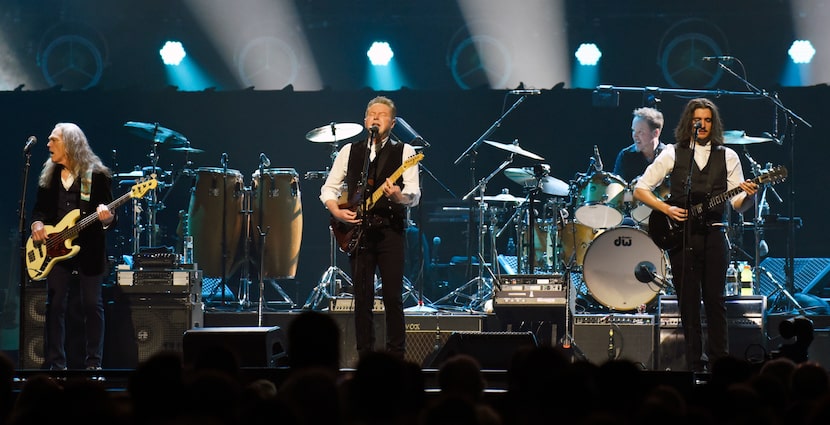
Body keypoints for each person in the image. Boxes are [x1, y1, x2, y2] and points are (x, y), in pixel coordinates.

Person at [634, 98, 757, 373]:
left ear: (714, 124)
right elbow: (640, 189)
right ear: (689, 122)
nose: (702, 125)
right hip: (682, 237)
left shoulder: (728, 156)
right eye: (697, 120)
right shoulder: (672, 153)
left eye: (708, 120)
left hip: (714, 235)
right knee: (688, 303)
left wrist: (750, 196)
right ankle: (694, 365)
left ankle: (720, 363)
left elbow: (738, 204)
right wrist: (666, 208)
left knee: (715, 301)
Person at [319, 96, 421, 360]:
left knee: (392, 297)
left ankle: (396, 356)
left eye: (382, 114)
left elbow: (414, 194)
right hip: (359, 232)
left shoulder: (406, 152)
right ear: (365, 120)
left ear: (393, 123)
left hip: (390, 230)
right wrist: (336, 210)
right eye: (372, 114)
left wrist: (399, 196)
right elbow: (329, 188)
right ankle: (365, 355)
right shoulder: (349, 151)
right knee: (362, 297)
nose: (376, 117)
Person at [30, 122, 115, 370]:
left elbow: (112, 217)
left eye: (53, 140)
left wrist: (107, 218)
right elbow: (39, 209)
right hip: (55, 250)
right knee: (54, 306)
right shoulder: (50, 175)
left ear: (69, 144)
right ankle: (56, 364)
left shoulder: (97, 176)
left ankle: (93, 365)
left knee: (92, 305)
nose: (48, 144)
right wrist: (37, 223)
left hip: (89, 251)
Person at [613, 106, 667, 183]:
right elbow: (616, 186)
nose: (635, 135)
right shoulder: (625, 156)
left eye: (640, 132)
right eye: (633, 130)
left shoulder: (669, 156)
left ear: (655, 133)